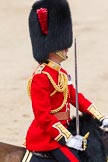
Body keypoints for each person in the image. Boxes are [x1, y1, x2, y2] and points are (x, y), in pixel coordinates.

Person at [25, 0, 108, 162]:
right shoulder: (41, 77)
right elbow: (44, 116)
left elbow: (75, 97)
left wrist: (100, 117)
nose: (66, 49)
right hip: (48, 137)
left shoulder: (61, 73)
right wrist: (67, 138)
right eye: (63, 45)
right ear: (51, 47)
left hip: (66, 128)